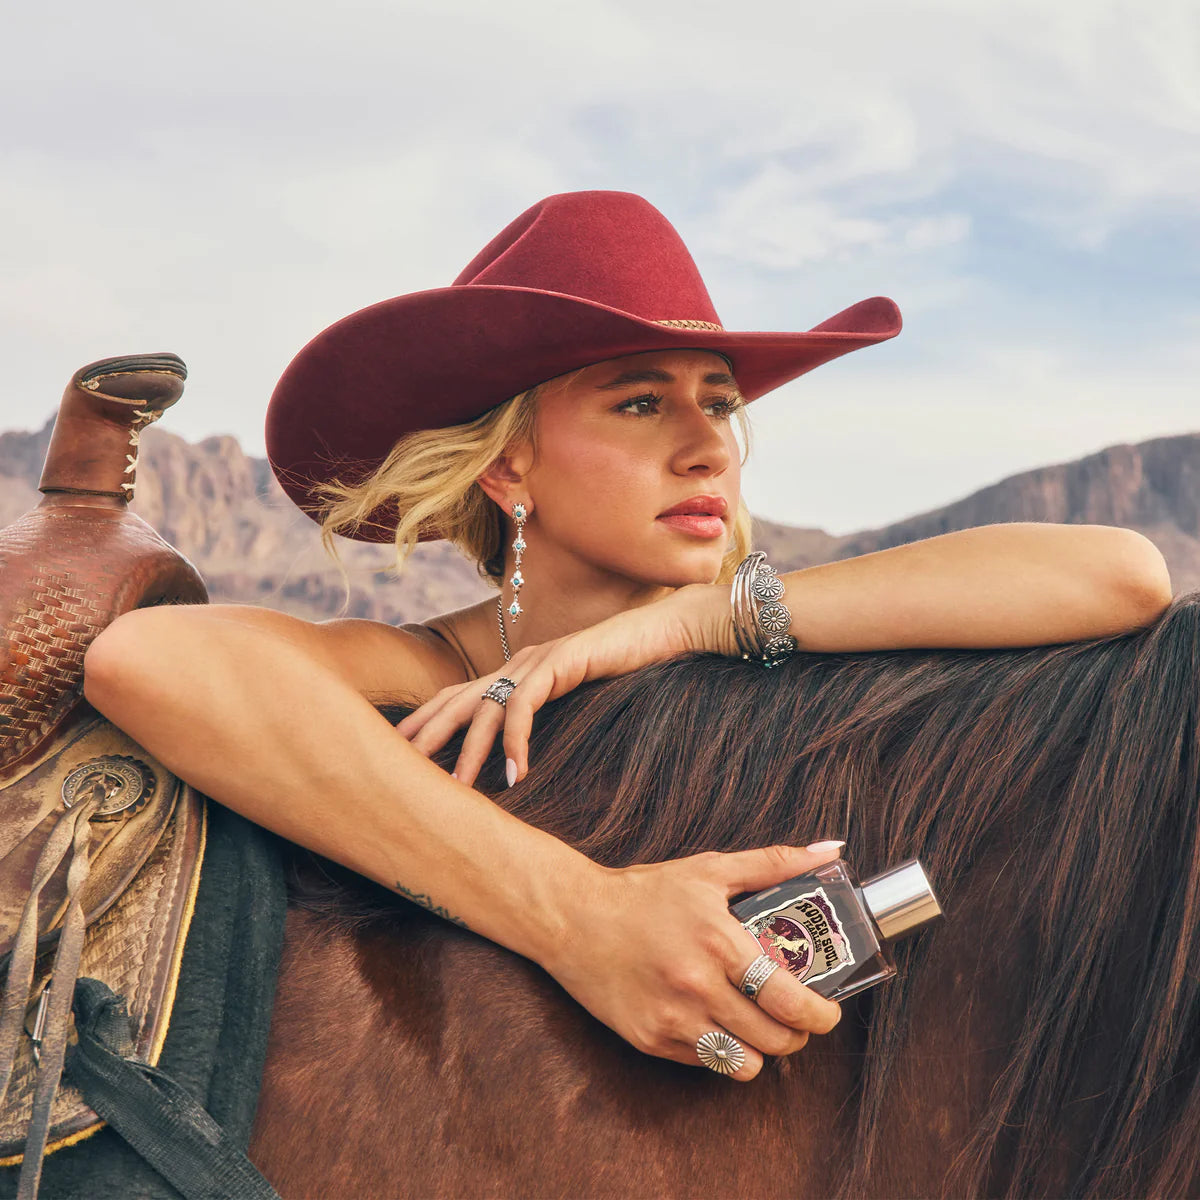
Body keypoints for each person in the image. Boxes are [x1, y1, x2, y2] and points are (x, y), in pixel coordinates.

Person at [82, 190, 1173, 1083]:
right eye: (642, 404)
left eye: (721, 401)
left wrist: (697, 618)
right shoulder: (438, 671)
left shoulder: (763, 630)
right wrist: (580, 917)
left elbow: (1122, 576)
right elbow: (154, 659)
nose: (709, 448)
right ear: (509, 468)